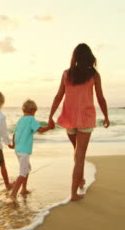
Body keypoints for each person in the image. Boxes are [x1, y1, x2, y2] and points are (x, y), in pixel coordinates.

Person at [48, 43, 109, 201]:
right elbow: (101, 98)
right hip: (86, 118)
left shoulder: (67, 74)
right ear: (89, 57)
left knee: (77, 152)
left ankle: (80, 181)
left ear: (74, 57)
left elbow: (58, 96)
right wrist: (106, 116)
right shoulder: (94, 75)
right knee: (80, 155)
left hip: (69, 118)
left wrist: (50, 116)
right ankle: (74, 193)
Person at [9, 99, 53, 203]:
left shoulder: (20, 120)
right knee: (23, 172)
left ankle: (23, 189)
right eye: (35, 112)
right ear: (32, 110)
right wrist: (50, 127)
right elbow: (40, 130)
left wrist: (14, 145)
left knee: (27, 169)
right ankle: (13, 194)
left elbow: (14, 134)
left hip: (18, 149)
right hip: (24, 151)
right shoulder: (31, 119)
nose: (34, 114)